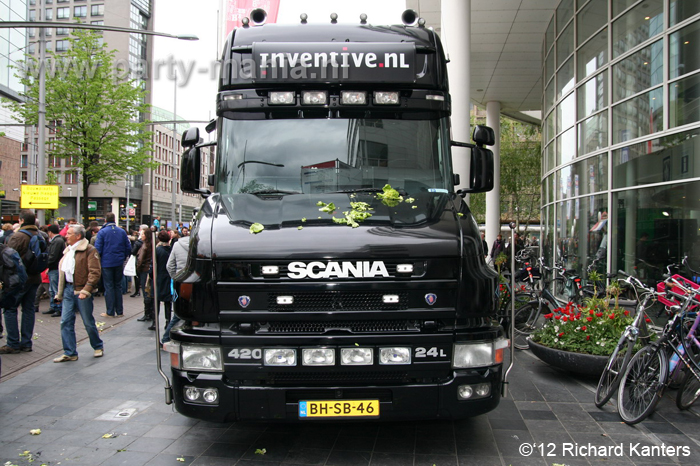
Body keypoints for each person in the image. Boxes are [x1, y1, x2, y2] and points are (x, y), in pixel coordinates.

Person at [53, 224, 104, 362]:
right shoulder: (68, 250)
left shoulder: (89, 250)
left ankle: (97, 346)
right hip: (69, 290)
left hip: (81, 290)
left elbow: (95, 272)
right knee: (65, 321)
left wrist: (86, 290)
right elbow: (64, 273)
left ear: (78, 236)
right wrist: (60, 293)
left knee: (87, 321)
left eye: (69, 233)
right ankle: (70, 352)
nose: (66, 235)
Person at [0, 210, 42, 354]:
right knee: (28, 309)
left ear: (21, 220)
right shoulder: (40, 235)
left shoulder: (18, 236)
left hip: (20, 279)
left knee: (10, 308)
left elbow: (8, 257)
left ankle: (12, 343)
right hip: (35, 277)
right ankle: (26, 342)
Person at [94, 213, 131, 318]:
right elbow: (127, 247)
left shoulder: (102, 232)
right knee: (117, 286)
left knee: (109, 286)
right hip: (119, 262)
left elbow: (98, 249)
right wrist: (123, 257)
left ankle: (110, 311)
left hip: (107, 262)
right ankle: (119, 311)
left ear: (106, 220)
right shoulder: (122, 231)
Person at [162, 234, 191, 345]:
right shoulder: (200, 244)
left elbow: (170, 265)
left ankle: (166, 338)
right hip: (196, 283)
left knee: (179, 312)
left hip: (181, 283)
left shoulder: (177, 245)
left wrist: (176, 278)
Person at [150, 230, 173, 331]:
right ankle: (168, 321)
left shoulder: (157, 250)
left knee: (156, 300)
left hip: (158, 277)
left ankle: (155, 322)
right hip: (169, 277)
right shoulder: (172, 249)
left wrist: (151, 276)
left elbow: (153, 266)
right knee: (168, 301)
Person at [43, 224, 65, 317]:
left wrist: (46, 264)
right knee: (53, 289)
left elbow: (53, 256)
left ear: (50, 232)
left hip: (55, 268)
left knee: (55, 289)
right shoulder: (58, 240)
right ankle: (54, 306)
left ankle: (58, 307)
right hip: (54, 268)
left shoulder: (56, 241)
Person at [136, 227, 154, 322]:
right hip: (150, 269)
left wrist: (138, 269)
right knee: (149, 291)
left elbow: (140, 259)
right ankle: (150, 312)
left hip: (144, 270)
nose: (141, 236)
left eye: (142, 234)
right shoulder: (153, 244)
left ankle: (147, 313)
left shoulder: (145, 246)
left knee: (145, 290)